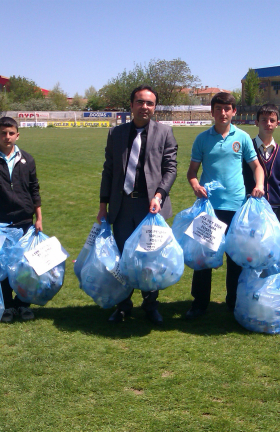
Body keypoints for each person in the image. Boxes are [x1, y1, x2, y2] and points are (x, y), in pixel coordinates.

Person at [98, 85, 178, 325]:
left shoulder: (165, 132)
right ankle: (123, 306)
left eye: (150, 103)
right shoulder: (117, 133)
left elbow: (170, 169)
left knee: (150, 259)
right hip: (122, 208)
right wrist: (103, 205)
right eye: (140, 102)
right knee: (123, 258)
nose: (145, 107)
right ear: (131, 105)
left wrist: (159, 195)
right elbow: (109, 171)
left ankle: (151, 305)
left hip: (151, 208)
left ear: (155, 107)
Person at [185, 92, 266, 319]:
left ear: (234, 111)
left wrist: (259, 184)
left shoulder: (242, 137)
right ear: (212, 111)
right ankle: (199, 304)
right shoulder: (202, 139)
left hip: (237, 207)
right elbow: (192, 172)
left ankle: (234, 302)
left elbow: (257, 167)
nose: (223, 112)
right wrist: (195, 186)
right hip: (208, 208)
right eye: (218, 108)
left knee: (236, 259)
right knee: (203, 258)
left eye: (227, 108)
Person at [0, 116, 42, 323]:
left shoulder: (27, 159)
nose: (7, 137)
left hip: (24, 221)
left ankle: (22, 304)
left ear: (17, 135)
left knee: (24, 266)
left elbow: (34, 190)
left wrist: (38, 217)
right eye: (3, 133)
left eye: (11, 133)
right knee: (2, 266)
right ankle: (6, 305)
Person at [243, 103, 280, 222]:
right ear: (257, 122)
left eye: (272, 120)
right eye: (264, 120)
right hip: (250, 206)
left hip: (274, 209)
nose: (268, 123)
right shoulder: (247, 149)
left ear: (277, 124)